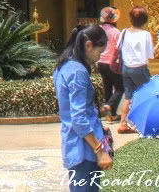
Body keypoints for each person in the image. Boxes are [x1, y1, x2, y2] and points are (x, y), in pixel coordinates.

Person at [54, 24, 113, 191]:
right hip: (85, 150)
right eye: (100, 52)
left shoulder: (63, 66)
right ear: (88, 45)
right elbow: (78, 118)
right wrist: (100, 150)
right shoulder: (78, 71)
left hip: (73, 145)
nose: (99, 57)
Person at [117, 6, 154, 134]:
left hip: (126, 68)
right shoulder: (145, 34)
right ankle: (146, 123)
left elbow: (119, 47)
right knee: (149, 95)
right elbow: (149, 55)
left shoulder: (124, 32)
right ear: (145, 20)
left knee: (128, 96)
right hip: (140, 69)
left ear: (131, 19)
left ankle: (122, 123)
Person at [95, 7, 123, 123]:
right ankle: (109, 106)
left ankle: (110, 115)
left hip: (100, 62)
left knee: (107, 87)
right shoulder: (115, 32)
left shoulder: (98, 30)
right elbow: (120, 47)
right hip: (111, 62)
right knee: (120, 87)